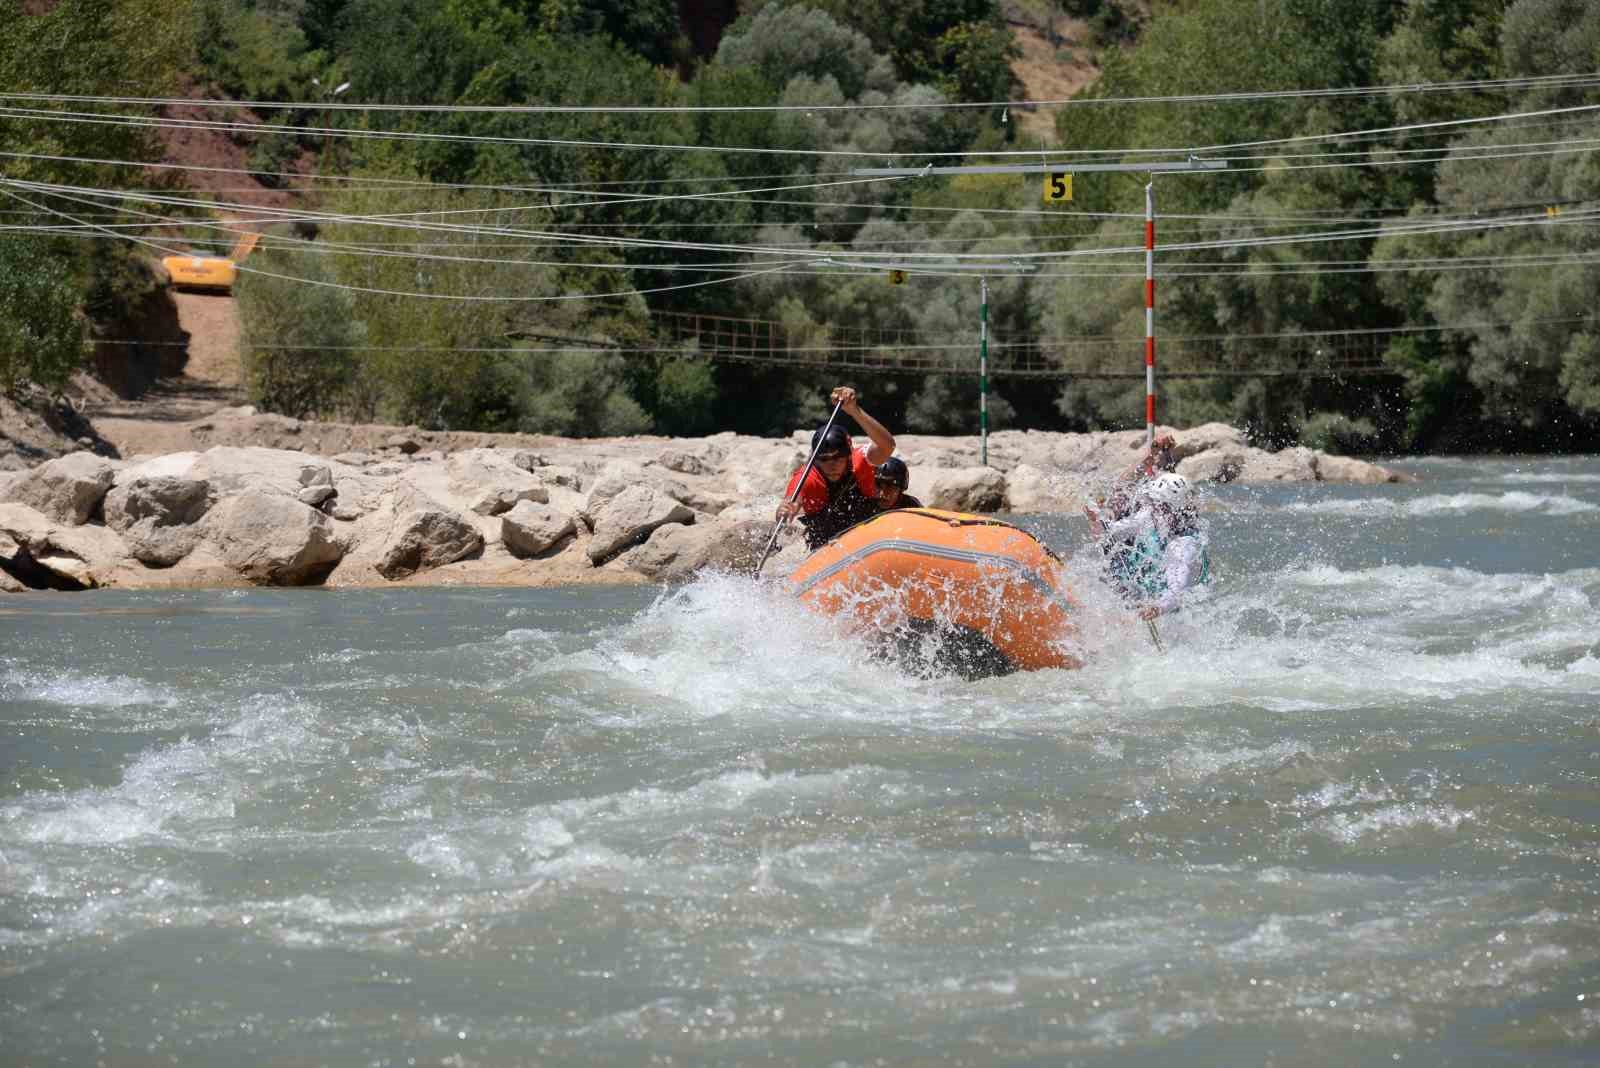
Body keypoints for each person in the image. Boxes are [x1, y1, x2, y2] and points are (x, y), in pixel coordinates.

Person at [777, 386, 896, 550]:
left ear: (848, 455)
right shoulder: (806, 478)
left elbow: (888, 446)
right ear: (815, 459)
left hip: (868, 535)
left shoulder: (860, 459)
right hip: (826, 544)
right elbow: (791, 503)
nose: (831, 465)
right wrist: (783, 511)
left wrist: (854, 411)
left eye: (838, 458)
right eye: (824, 459)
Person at [1084, 472, 1209, 620]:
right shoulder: (1155, 515)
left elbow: (1177, 593)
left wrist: (1156, 608)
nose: (1150, 507)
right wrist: (1099, 524)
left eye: (1155, 505)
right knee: (1116, 552)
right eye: (1152, 503)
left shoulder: (1184, 546)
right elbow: (1117, 530)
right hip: (1153, 586)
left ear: (1171, 510)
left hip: (1175, 611)